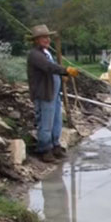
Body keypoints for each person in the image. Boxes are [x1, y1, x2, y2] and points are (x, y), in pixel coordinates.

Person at [26, 24, 79, 163]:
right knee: (46, 123)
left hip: (54, 94)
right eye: (43, 37)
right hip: (44, 94)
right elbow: (49, 67)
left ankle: (55, 146)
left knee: (57, 122)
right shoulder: (35, 55)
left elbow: (52, 68)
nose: (47, 40)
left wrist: (62, 77)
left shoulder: (46, 52)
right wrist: (65, 70)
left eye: (48, 37)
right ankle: (45, 150)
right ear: (36, 40)